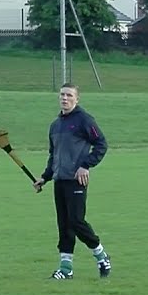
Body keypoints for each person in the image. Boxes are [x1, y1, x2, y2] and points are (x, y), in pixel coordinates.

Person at [32, 83, 112, 280]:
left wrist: (86, 165)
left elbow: (101, 144)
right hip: (60, 180)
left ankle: (101, 255)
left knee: (76, 221)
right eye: (62, 95)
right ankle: (66, 269)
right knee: (64, 224)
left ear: (77, 98)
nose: (64, 98)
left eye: (69, 95)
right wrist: (45, 177)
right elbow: (54, 155)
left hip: (76, 180)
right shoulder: (55, 125)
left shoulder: (84, 120)